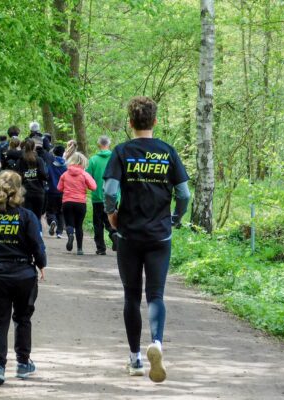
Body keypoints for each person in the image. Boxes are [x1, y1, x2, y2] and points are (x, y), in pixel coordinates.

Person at [103, 96, 190, 383]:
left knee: (131, 295)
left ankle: (135, 359)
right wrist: (175, 219)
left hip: (129, 234)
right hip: (159, 235)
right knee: (155, 294)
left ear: (130, 123)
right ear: (155, 121)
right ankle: (158, 343)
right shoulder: (167, 152)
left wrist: (112, 215)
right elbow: (185, 194)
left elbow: (110, 190)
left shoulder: (122, 151)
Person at [0, 170, 46, 385]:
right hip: (23, 275)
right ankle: (23, 363)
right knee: (23, 319)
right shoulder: (26, 216)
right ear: (19, 189)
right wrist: (41, 265)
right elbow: (36, 245)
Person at [57, 152, 97, 255]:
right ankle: (80, 249)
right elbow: (93, 187)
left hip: (67, 202)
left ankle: (70, 235)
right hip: (80, 203)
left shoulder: (65, 174)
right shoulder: (84, 174)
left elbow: (59, 188)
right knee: (79, 226)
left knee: (69, 224)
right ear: (83, 162)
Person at [87, 135, 118, 255]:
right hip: (114, 195)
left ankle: (101, 248)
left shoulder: (93, 160)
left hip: (97, 196)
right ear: (108, 144)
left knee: (98, 223)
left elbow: (88, 178)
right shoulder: (115, 158)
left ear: (99, 145)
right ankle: (114, 233)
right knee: (112, 220)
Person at [15, 139, 48, 222]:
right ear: (34, 147)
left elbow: (17, 177)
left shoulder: (20, 161)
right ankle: (37, 234)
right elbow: (43, 175)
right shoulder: (39, 160)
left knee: (25, 218)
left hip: (25, 193)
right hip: (38, 192)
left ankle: (26, 234)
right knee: (37, 219)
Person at [46, 145, 67, 238]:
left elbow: (46, 175)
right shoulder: (66, 167)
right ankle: (59, 232)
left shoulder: (50, 166)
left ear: (54, 153)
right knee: (61, 212)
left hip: (51, 191)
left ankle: (52, 221)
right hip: (63, 192)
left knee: (50, 211)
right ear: (63, 153)